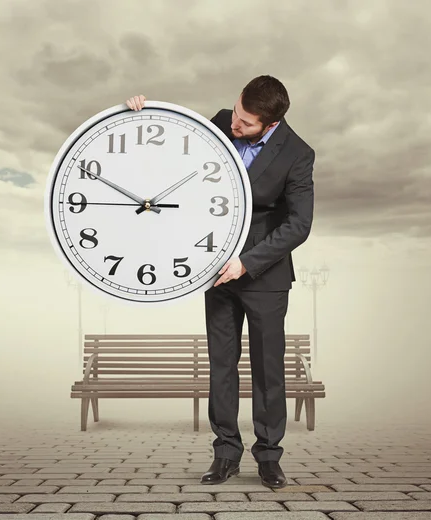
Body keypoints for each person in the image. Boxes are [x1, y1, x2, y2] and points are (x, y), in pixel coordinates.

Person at [125, 75, 315, 489]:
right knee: (221, 367)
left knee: (268, 371)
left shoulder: (298, 154)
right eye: (236, 112)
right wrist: (141, 116)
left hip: (263, 275)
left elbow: (299, 224)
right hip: (213, 270)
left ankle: (268, 458)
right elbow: (175, 149)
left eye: (246, 124)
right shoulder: (223, 121)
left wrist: (246, 264)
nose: (235, 125)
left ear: (271, 124)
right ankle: (225, 454)